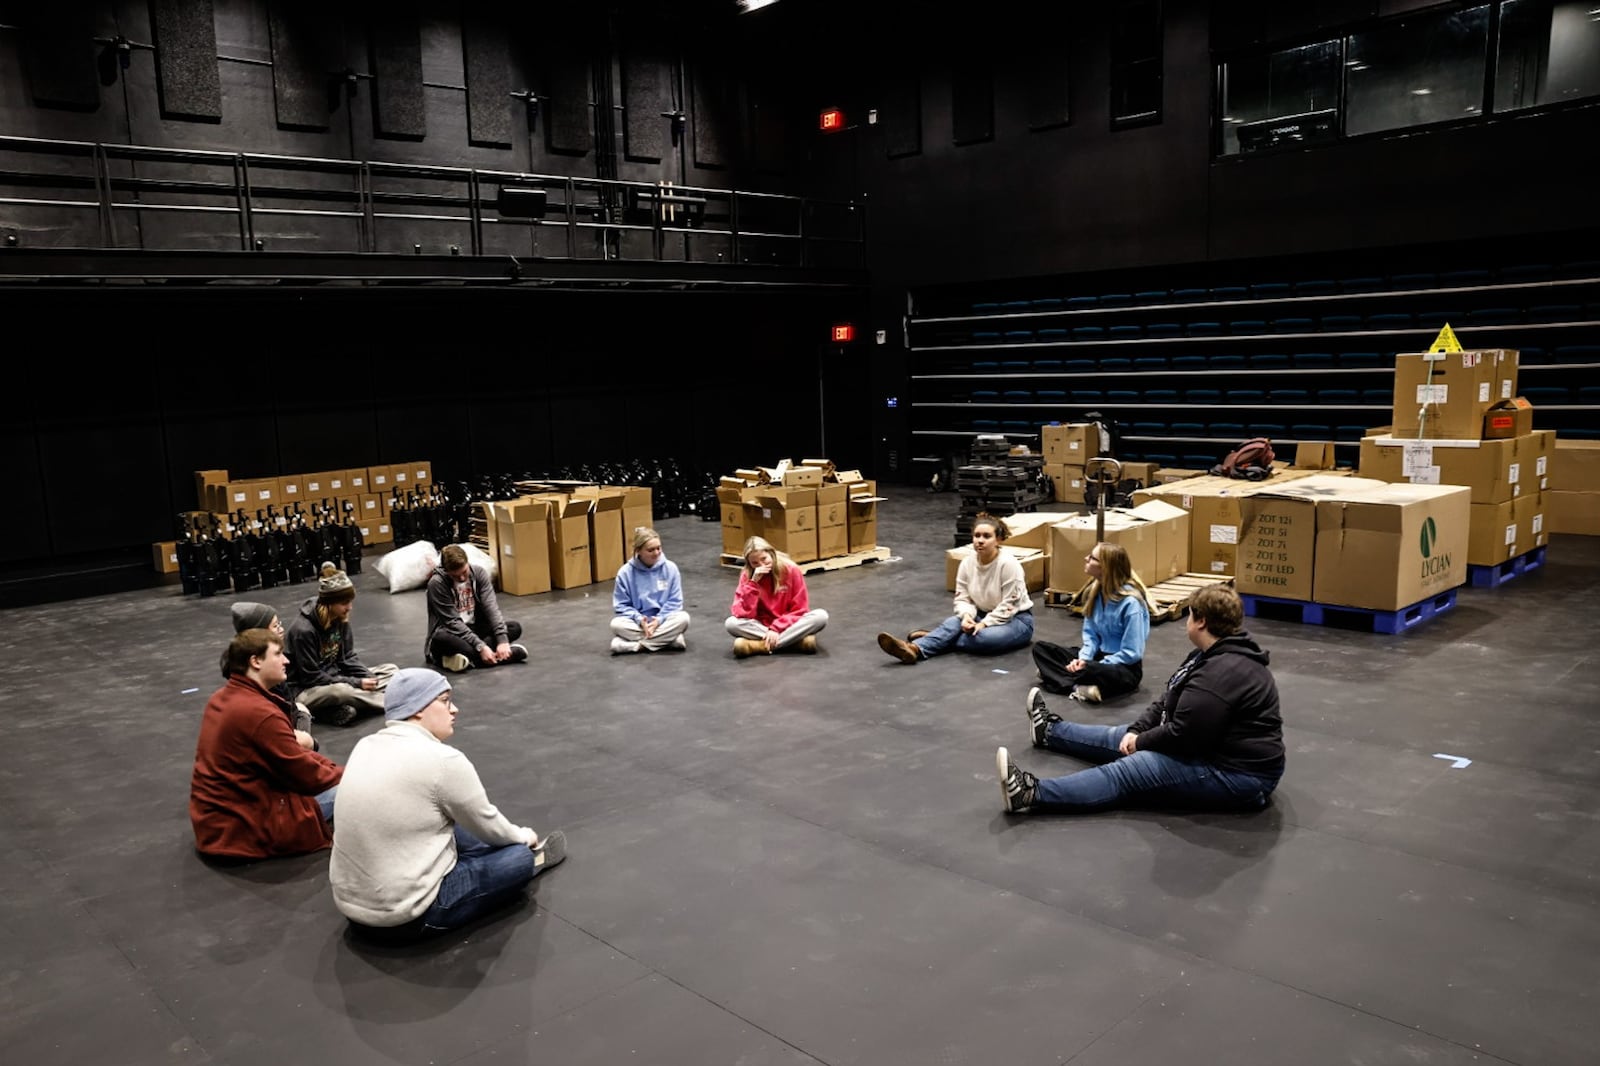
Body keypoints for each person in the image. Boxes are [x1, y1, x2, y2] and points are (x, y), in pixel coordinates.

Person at [997, 584, 1285, 815]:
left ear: (1201, 621)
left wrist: (1142, 742)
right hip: (1208, 747)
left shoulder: (1223, 671)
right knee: (1121, 736)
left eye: (1190, 614)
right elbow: (1168, 699)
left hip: (1239, 776)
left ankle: (1031, 793)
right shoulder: (1207, 654)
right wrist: (1138, 731)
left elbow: (1184, 735)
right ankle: (1050, 731)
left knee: (1132, 769)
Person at [330, 668, 567, 940]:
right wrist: (523, 836)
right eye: (445, 700)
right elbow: (488, 824)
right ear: (418, 709)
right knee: (518, 858)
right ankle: (525, 858)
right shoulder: (442, 760)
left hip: (353, 909)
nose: (454, 709)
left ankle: (468, 857)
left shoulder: (365, 745)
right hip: (408, 917)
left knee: (448, 818)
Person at [190, 628, 343, 861]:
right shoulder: (259, 713)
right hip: (241, 828)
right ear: (256, 661)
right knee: (355, 788)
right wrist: (349, 774)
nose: (286, 660)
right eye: (278, 654)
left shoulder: (221, 698)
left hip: (215, 822)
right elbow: (304, 773)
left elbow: (293, 755)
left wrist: (333, 768)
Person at [877, 513, 1034, 664]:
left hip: (1015, 620)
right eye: (977, 535)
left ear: (998, 539)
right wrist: (966, 616)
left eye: (987, 536)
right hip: (981, 613)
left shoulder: (1009, 564)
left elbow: (1009, 605)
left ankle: (937, 638)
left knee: (984, 639)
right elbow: (963, 598)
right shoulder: (967, 563)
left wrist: (984, 624)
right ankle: (915, 649)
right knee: (953, 622)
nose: (980, 540)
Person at [1030, 542, 1150, 703]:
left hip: (1121, 666)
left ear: (1105, 567)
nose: (1086, 559)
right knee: (1041, 649)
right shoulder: (1094, 594)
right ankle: (1076, 687)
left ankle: (1055, 676)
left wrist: (1092, 665)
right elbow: (1090, 637)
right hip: (1095, 658)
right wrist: (1083, 659)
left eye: (1092, 558)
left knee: (1091, 670)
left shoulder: (1131, 603)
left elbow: (1132, 653)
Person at [285, 562, 396, 727]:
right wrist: (355, 683)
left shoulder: (340, 619)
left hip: (336, 676)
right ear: (329, 603)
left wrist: (367, 676)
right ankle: (394, 702)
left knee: (391, 670)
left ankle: (339, 708)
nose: (349, 608)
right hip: (306, 689)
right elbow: (311, 677)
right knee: (341, 691)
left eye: (350, 602)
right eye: (344, 603)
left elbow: (347, 658)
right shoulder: (303, 631)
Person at [425, 544, 528, 672]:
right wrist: (481, 647)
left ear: (468, 563)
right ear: (446, 571)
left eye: (464, 572)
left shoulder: (479, 574)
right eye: (455, 576)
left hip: (474, 629)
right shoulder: (437, 584)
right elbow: (452, 622)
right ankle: (503, 656)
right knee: (441, 637)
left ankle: (462, 660)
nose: (462, 578)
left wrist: (502, 640)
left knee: (514, 627)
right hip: (451, 633)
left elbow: (491, 607)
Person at [225, 601, 316, 747]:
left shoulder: (267, 666)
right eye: (275, 626)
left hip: (287, 721)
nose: (281, 629)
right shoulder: (262, 677)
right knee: (305, 735)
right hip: (271, 741)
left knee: (302, 710)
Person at [724, 536, 828, 656]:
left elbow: (800, 609)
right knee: (731, 623)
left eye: (764, 559)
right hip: (762, 626)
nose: (761, 565)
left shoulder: (791, 570)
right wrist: (753, 584)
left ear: (771, 554)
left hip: (788, 623)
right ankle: (794, 642)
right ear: (749, 563)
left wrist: (776, 628)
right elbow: (742, 613)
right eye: (755, 563)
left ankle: (759, 646)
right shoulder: (747, 575)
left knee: (821, 616)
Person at [611, 526, 691, 654]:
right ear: (638, 551)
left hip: (663, 620)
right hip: (638, 623)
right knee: (616, 624)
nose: (656, 553)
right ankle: (669, 640)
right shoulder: (625, 573)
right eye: (650, 550)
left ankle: (636, 646)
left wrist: (659, 620)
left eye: (659, 548)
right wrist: (639, 619)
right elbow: (621, 605)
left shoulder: (671, 569)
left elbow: (675, 602)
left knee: (683, 618)